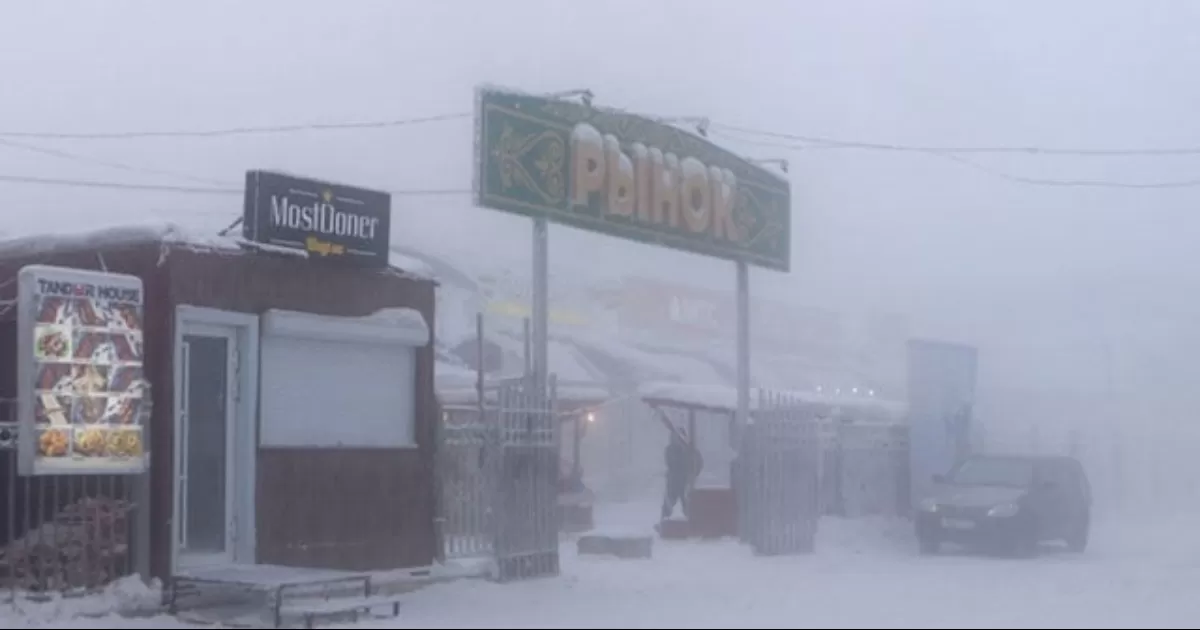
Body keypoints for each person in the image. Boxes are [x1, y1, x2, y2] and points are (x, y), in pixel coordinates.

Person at [662, 429, 696, 521]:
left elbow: (695, 462)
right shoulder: (670, 449)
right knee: (669, 502)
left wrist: (692, 473)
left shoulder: (688, 450)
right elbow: (672, 462)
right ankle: (664, 520)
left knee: (687, 503)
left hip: (685, 481)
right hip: (673, 481)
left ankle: (692, 521)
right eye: (675, 437)